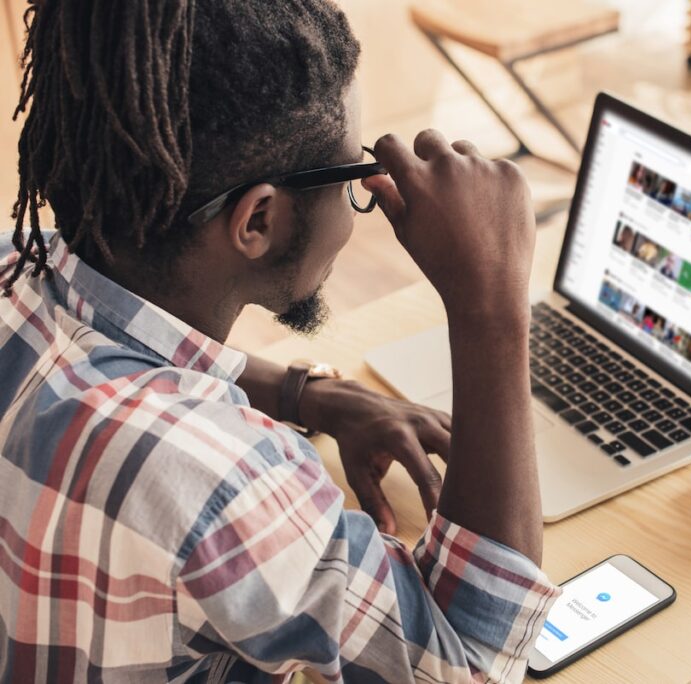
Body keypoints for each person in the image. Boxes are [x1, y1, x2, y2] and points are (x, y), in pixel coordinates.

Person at [0, 2, 558, 682]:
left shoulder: (16, 268)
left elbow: (126, 356)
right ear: (258, 219)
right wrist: (492, 304)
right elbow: (471, 662)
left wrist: (304, 394)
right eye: (353, 171)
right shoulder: (220, 486)